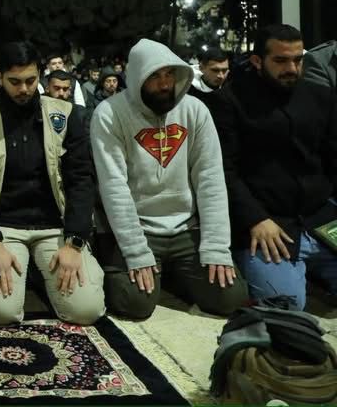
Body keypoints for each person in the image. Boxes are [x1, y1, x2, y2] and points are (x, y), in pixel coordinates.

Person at [91, 38, 245, 319]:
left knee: (231, 297)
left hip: (187, 229)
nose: (164, 84)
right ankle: (154, 270)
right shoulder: (109, 113)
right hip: (139, 228)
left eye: (170, 74)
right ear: (137, 78)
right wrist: (136, 252)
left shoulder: (195, 110)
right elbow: (114, 187)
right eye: (155, 76)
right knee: (135, 302)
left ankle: (172, 272)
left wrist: (216, 247)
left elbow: (210, 179)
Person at [0, 41, 104, 325]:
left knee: (86, 310)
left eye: (30, 80)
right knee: (0, 312)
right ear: (0, 77)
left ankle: (37, 270)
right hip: (2, 228)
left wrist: (74, 243)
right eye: (14, 82)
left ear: (40, 76)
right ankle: (28, 268)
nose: (23, 89)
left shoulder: (65, 114)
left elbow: (81, 179)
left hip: (55, 226)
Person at [211, 25, 337, 309]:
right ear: (257, 61)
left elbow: (333, 156)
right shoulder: (230, 101)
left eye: (297, 60)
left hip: (320, 218)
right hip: (267, 225)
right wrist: (255, 219)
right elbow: (223, 171)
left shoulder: (320, 95)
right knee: (287, 306)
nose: (291, 68)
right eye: (280, 60)